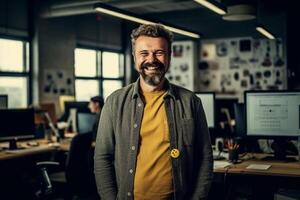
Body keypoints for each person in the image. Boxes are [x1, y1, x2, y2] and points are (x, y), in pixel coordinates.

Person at [94, 23, 213, 200]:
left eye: (159, 52)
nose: (152, 59)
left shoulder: (190, 102)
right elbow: (102, 158)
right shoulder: (115, 102)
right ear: (134, 57)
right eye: (144, 53)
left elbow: (205, 157)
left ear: (169, 57)